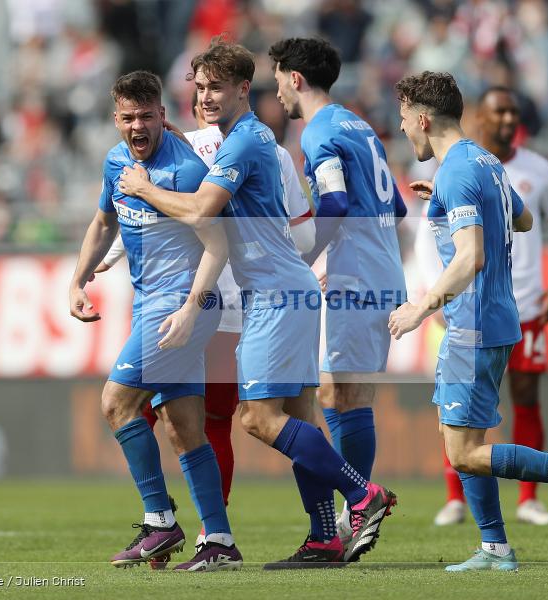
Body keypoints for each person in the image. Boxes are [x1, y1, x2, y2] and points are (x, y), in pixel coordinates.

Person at [117, 37, 397, 569]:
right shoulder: (247, 139)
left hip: (272, 294)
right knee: (299, 420)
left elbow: (202, 209)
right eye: (199, 88)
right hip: (289, 288)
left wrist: (143, 188)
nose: (205, 97)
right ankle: (323, 538)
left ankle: (363, 495)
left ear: (245, 89)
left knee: (256, 419)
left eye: (216, 88)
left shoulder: (245, 141)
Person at [389, 71, 548, 572]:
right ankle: (494, 548)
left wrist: (420, 306)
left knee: (464, 452)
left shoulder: (459, 171)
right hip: (495, 319)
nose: (406, 131)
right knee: (462, 441)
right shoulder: (486, 163)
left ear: (425, 119)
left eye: (406, 121)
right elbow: (523, 220)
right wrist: (446, 198)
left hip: (471, 322)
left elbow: (470, 255)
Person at [96, 91, 316, 562]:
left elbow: (172, 215)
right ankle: (219, 536)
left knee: (176, 416)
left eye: (207, 91)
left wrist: (106, 260)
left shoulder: (191, 149)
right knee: (196, 423)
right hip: (251, 305)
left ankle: (169, 524)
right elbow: (304, 233)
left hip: (208, 301)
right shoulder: (271, 150)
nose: (204, 102)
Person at [68, 70, 241, 572]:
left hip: (180, 306)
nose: (137, 125)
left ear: (163, 116)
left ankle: (160, 522)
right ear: (115, 119)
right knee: (184, 428)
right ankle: (221, 542)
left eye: (147, 115)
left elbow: (218, 244)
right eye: (128, 117)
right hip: (152, 305)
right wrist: (77, 281)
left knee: (117, 404)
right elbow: (104, 222)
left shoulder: (185, 171)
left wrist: (191, 308)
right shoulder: (117, 161)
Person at [269, 37, 407, 541]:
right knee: (346, 395)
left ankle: (357, 512)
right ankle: (356, 514)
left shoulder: (318, 131)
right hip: (381, 269)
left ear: (295, 78)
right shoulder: (359, 125)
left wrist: (303, 260)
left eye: (278, 77)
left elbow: (335, 203)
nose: (276, 88)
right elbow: (396, 208)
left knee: (334, 394)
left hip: (356, 277)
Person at [433, 86, 548, 527]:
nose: (508, 119)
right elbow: (440, 236)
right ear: (480, 114)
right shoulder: (475, 166)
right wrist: (436, 291)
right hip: (476, 302)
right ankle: (460, 504)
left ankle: (529, 500)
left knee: (512, 399)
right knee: (461, 413)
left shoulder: (532, 169)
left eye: (514, 111)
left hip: (522, 302)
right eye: (500, 111)